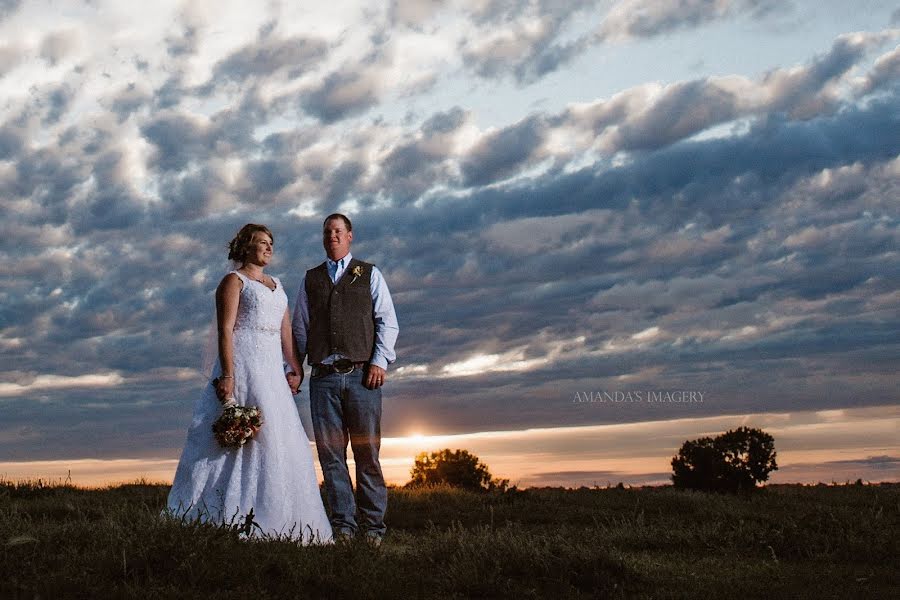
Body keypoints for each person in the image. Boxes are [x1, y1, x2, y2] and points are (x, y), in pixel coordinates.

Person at [166, 224, 332, 544]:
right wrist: (228, 375)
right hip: (243, 366)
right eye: (261, 243)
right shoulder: (234, 281)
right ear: (246, 247)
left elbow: (285, 332)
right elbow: (225, 330)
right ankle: (220, 515)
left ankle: (282, 519)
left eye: (271, 243)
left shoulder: (277, 285)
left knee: (278, 441)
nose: (269, 248)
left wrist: (295, 368)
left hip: (271, 372)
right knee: (236, 441)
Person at [292, 213, 399, 545]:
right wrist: (295, 371)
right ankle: (344, 526)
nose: (332, 236)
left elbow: (387, 321)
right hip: (322, 378)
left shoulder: (368, 274)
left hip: (362, 377)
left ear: (350, 236)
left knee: (367, 454)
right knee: (331, 456)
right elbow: (299, 329)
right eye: (327, 232)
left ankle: (373, 528)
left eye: (338, 231)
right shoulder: (311, 279)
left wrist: (379, 361)